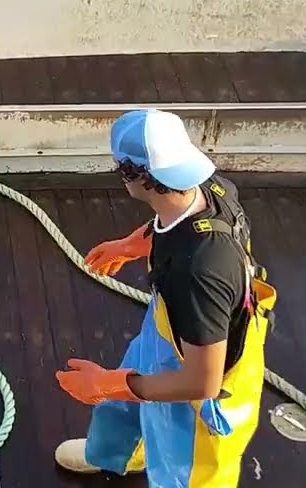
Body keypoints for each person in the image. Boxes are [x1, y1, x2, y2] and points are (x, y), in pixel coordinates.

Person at [53, 108, 277, 488]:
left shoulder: (198, 274)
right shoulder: (211, 189)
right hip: (170, 334)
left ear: (135, 176)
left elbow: (202, 382)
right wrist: (129, 246)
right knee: (126, 406)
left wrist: (109, 383)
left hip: (203, 380)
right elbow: (173, 223)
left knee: (184, 470)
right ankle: (121, 455)